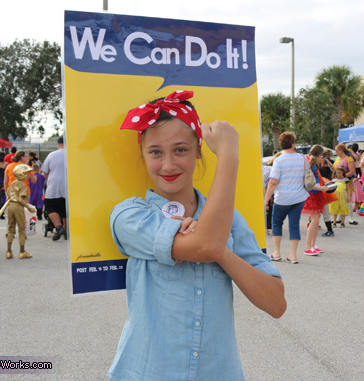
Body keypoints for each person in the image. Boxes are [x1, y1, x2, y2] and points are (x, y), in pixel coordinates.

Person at [109, 91, 286, 380]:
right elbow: (206, 244)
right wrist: (229, 155)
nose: (168, 165)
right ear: (142, 155)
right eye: (155, 152)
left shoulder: (231, 220)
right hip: (146, 372)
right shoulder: (129, 215)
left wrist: (221, 251)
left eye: (180, 149)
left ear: (199, 152)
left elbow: (276, 303)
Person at [264, 133, 309, 263]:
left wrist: (266, 199)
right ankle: (293, 255)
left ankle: (276, 253)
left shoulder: (279, 160)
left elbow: (273, 182)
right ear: (293, 144)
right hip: (299, 197)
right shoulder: (302, 158)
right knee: (294, 225)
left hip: (282, 198)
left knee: (277, 223)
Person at [302, 145, 330, 255]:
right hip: (313, 194)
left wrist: (325, 183)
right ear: (319, 155)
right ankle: (308, 246)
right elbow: (308, 183)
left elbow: (314, 180)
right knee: (314, 221)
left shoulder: (310, 161)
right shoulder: (310, 162)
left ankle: (312, 245)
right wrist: (321, 187)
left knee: (316, 220)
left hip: (316, 193)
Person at [6, 164, 36, 259]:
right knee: (21, 229)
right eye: (26, 173)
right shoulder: (22, 185)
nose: (28, 175)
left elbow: (8, 196)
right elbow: (20, 199)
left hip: (11, 206)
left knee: (11, 229)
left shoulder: (12, 183)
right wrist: (29, 208)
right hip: (18, 207)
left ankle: (9, 251)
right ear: (21, 174)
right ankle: (22, 251)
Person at [41, 136, 67, 241]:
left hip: (54, 186)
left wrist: (50, 179)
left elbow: (45, 173)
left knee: (50, 206)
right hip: (69, 186)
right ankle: (67, 230)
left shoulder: (51, 155)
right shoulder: (72, 154)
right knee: (66, 209)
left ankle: (59, 227)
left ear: (58, 144)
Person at [334, 143, 357, 225]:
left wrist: (342, 176)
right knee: (339, 200)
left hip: (346, 182)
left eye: (337, 150)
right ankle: (339, 218)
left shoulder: (349, 159)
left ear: (341, 150)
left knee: (348, 200)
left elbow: (352, 171)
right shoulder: (337, 158)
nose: (336, 152)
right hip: (338, 183)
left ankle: (351, 218)